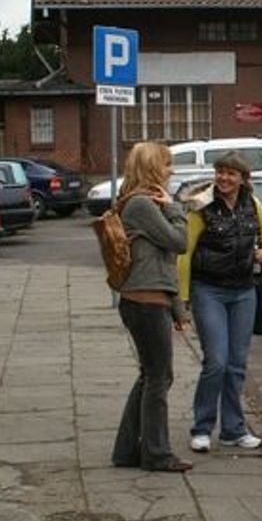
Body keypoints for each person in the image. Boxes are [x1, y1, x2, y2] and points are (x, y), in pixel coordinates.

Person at [178, 151, 262, 454]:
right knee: (216, 362)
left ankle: (233, 430)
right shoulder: (201, 208)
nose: (223, 178)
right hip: (209, 291)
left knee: (236, 365)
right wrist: (181, 300)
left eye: (231, 173)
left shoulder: (252, 203)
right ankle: (202, 427)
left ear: (243, 179)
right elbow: (185, 253)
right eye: (220, 171)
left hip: (244, 291)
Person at [111, 141, 193, 473]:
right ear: (153, 168)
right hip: (144, 302)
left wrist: (176, 309)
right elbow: (179, 243)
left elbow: (163, 262)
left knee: (150, 376)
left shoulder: (144, 203)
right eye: (167, 163)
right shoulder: (143, 205)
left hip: (148, 299)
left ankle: (127, 451)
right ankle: (156, 454)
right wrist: (175, 209)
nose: (172, 170)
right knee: (159, 377)